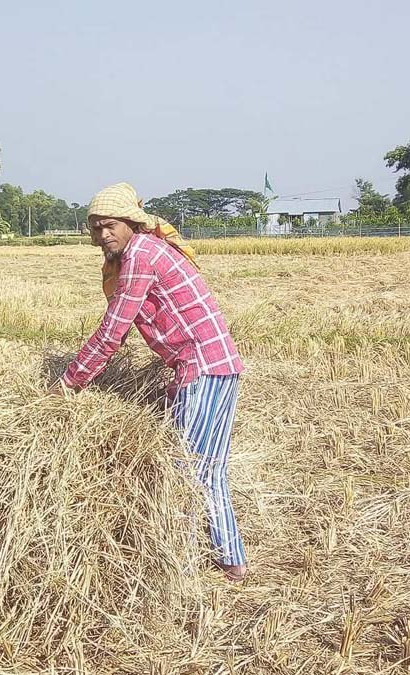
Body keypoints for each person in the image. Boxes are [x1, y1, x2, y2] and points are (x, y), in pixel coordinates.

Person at [51, 182, 248, 581]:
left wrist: (69, 382)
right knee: (203, 468)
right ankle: (223, 558)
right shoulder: (146, 250)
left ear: (131, 222)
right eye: (95, 229)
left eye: (109, 225)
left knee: (189, 470)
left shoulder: (142, 254)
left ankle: (194, 562)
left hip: (203, 368)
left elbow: (113, 332)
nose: (102, 235)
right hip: (208, 367)